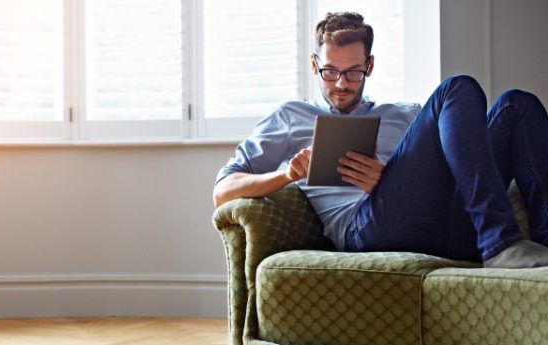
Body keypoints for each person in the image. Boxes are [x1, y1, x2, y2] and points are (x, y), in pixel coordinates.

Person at [213, 12, 548, 269]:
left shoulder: (406, 114)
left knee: (517, 105)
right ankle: (501, 243)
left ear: (369, 66)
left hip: (445, 224)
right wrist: (285, 175)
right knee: (455, 87)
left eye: (353, 72)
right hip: (367, 230)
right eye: (330, 72)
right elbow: (223, 190)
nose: (341, 84)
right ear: (315, 66)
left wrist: (389, 178)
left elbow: (459, 171)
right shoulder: (291, 117)